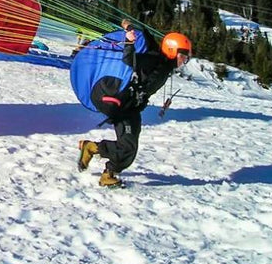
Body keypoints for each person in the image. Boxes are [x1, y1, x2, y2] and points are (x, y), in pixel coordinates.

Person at [77, 25, 192, 187]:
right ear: (172, 50)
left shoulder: (164, 66)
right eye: (182, 56)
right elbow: (129, 60)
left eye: (185, 57)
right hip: (121, 104)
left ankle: (97, 155)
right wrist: (129, 43)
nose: (183, 61)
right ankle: (100, 162)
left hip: (131, 108)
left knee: (130, 148)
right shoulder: (153, 60)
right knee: (128, 147)